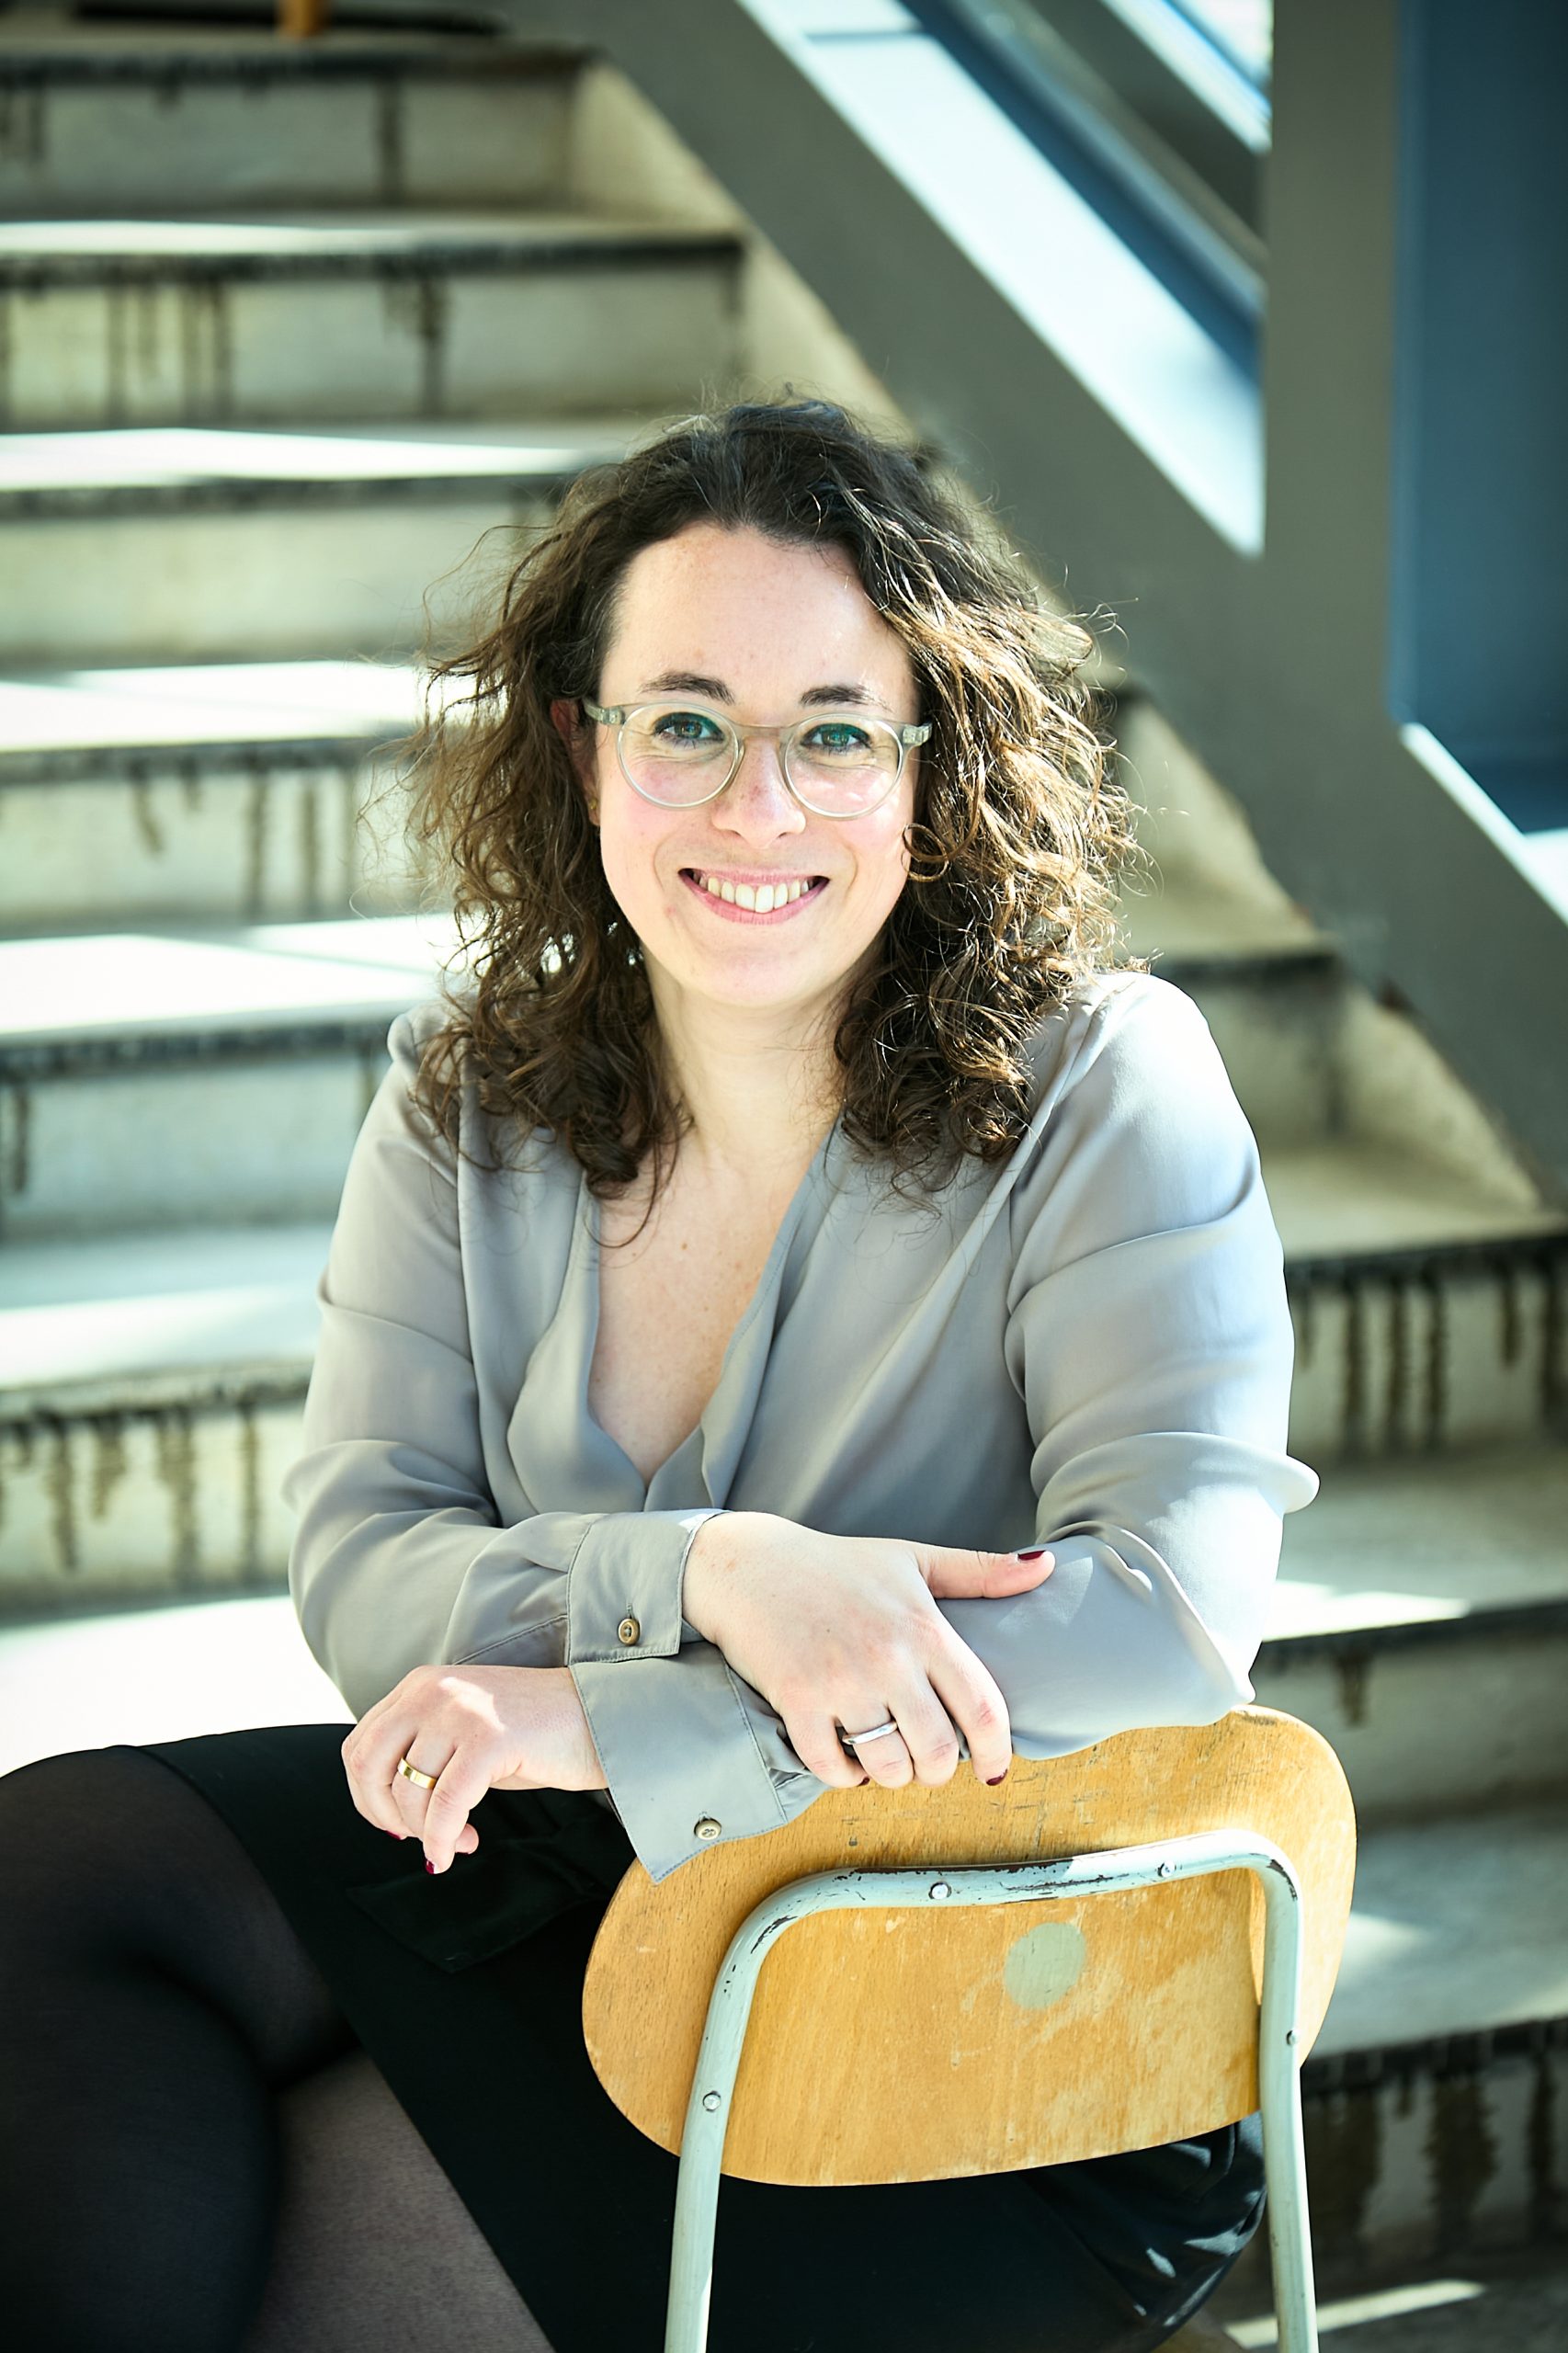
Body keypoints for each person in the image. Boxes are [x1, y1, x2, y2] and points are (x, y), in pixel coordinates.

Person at [0, 396, 1317, 2353]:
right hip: (583, 1889)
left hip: (980, 1991)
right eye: (685, 719)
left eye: (833, 733)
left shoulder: (1106, 1081)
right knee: (51, 1875)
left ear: (930, 766)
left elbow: (1161, 1622)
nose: (754, 806)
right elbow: (366, 1558)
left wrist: (611, 1724)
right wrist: (703, 1573)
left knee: (277, 2265)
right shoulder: (474, 1089)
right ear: (582, 744)